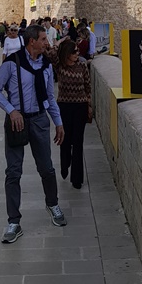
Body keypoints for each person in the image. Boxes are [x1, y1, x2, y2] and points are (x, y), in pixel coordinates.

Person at [0, 24, 66, 243]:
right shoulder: (12, 63)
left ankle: (52, 204)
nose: (47, 42)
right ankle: (14, 221)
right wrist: (11, 110)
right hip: (17, 121)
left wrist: (58, 122)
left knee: (47, 168)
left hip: (40, 119)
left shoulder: (46, 66)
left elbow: (50, 97)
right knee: (13, 172)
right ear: (32, 41)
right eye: (43, 39)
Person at [55, 40, 92, 189]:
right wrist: (61, 41)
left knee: (78, 142)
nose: (78, 54)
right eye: (74, 51)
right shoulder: (59, 66)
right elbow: (51, 52)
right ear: (67, 54)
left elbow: (87, 87)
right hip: (64, 106)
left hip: (80, 106)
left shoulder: (82, 66)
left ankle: (77, 179)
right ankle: (65, 165)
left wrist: (89, 106)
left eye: (78, 51)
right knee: (65, 139)